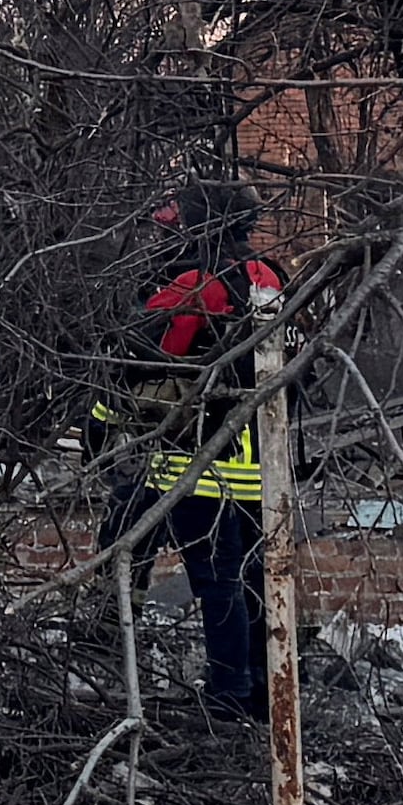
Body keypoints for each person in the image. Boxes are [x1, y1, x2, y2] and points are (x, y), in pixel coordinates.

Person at [129, 182, 282, 722]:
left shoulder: (196, 282)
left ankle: (228, 693)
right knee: (256, 580)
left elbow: (157, 354)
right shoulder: (268, 276)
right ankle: (265, 690)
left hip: (200, 464)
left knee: (217, 586)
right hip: (262, 464)